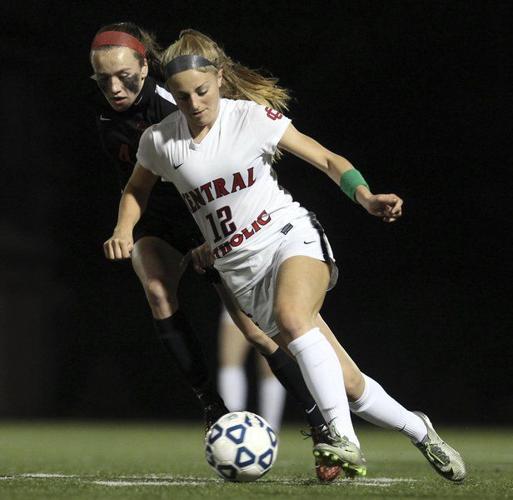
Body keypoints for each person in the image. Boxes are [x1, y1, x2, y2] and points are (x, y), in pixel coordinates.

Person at [104, 29, 467, 482]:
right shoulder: (160, 140)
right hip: (242, 272)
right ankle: (420, 429)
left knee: (294, 318)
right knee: (350, 384)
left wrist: (366, 197)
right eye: (181, 96)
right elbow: (136, 189)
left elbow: (327, 159)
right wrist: (124, 227)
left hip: (288, 237)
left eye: (202, 91)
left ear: (219, 78)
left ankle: (342, 439)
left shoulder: (250, 117)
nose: (194, 103)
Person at [90, 22, 347, 482]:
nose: (114, 87)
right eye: (102, 78)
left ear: (146, 67)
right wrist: (124, 228)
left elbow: (227, 172)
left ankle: (323, 426)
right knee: (155, 287)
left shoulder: (178, 100)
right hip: (164, 226)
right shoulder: (110, 118)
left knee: (258, 336)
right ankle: (212, 405)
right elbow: (136, 188)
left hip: (216, 231)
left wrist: (215, 236)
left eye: (124, 76)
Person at [217, 305, 286, 432]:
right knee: (230, 360)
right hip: (238, 295)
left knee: (272, 367)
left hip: (271, 301)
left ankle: (271, 430)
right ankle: (233, 425)